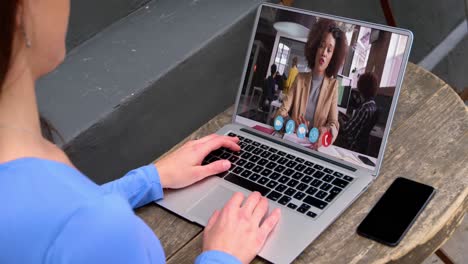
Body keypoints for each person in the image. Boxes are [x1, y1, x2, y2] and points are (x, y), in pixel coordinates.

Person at [0, 0, 281, 263]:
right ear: (23, 10)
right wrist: (223, 256)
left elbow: (47, 218)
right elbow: (73, 228)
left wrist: (148, 179)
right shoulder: (98, 233)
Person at [276, 19, 348, 149]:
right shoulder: (299, 79)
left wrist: (326, 132)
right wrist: (290, 124)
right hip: (291, 143)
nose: (324, 53)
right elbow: (281, 111)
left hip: (314, 148)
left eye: (329, 50)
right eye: (321, 45)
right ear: (315, 48)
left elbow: (334, 124)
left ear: (333, 56)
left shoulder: (333, 86)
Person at [337, 72, 379, 152]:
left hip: (349, 145)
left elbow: (345, 129)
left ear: (361, 87)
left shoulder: (364, 108)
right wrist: (348, 118)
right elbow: (357, 124)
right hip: (358, 146)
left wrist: (338, 117)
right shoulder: (373, 105)